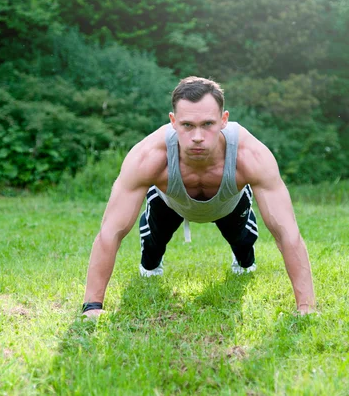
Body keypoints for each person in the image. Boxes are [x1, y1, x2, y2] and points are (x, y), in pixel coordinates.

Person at [82, 76, 316, 317]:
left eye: (207, 124)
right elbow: (110, 231)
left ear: (224, 120)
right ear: (173, 122)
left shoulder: (250, 156)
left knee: (244, 246)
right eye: (187, 125)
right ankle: (150, 260)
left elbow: (287, 232)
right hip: (169, 200)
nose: (197, 136)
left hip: (229, 202)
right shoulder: (149, 156)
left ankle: (243, 254)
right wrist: (92, 307)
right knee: (152, 248)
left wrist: (306, 308)